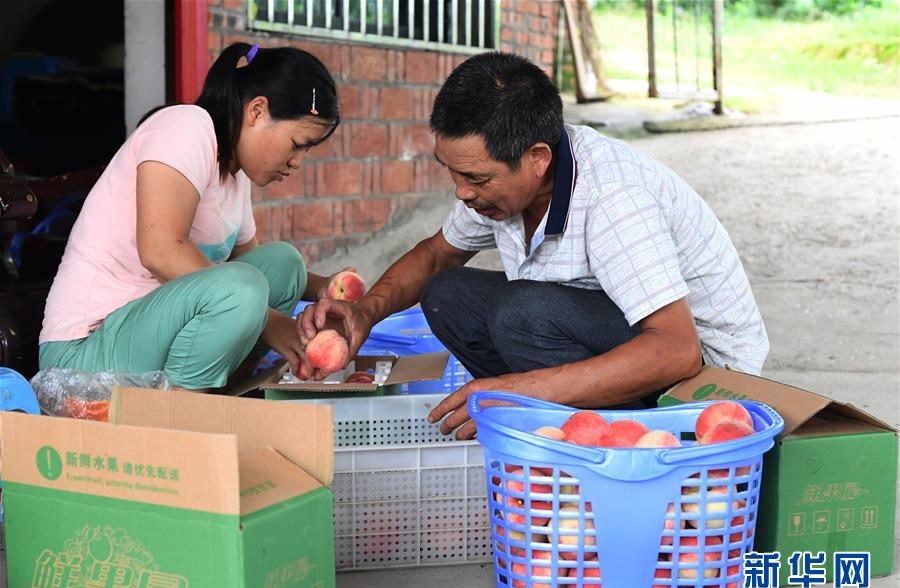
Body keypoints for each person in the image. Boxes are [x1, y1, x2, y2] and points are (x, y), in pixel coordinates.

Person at [299, 51, 769, 438]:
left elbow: (676, 350)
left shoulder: (613, 198)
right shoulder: (497, 191)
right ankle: (550, 425)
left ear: (538, 158)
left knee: (522, 313)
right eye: (453, 172)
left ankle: (628, 437)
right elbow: (436, 254)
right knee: (446, 294)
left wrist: (526, 387)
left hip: (705, 373)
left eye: (475, 177)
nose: (462, 192)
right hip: (623, 331)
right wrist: (366, 311)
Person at [39, 42, 346, 390]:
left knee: (283, 263)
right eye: (297, 144)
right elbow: (160, 251)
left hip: (144, 338)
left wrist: (325, 289)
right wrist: (269, 321)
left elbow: (256, 268)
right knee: (244, 291)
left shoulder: (233, 173)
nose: (297, 162)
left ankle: (215, 389)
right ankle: (184, 414)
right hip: (83, 356)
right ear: (257, 111)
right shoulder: (186, 127)